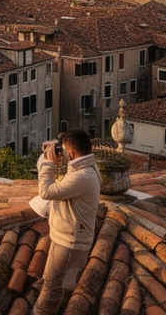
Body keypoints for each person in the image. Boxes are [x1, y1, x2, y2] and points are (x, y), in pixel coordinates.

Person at [33, 130, 101, 315]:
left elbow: (46, 191)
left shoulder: (82, 177)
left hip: (69, 244)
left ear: (71, 152)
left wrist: (48, 164)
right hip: (65, 238)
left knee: (53, 289)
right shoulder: (87, 169)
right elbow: (73, 169)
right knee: (50, 282)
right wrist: (60, 150)